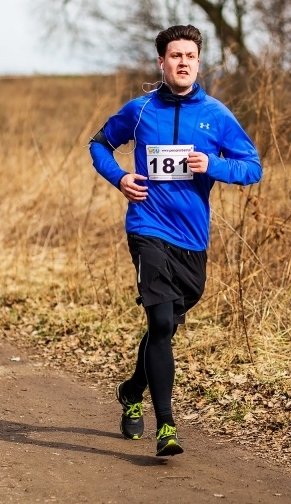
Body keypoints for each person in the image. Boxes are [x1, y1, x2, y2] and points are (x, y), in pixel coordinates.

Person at [89, 25, 262, 456]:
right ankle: (166, 425)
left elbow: (253, 167)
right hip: (147, 227)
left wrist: (214, 166)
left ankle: (131, 390)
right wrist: (121, 177)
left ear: (198, 63)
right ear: (161, 63)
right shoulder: (141, 110)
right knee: (162, 322)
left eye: (190, 55)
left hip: (192, 237)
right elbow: (99, 145)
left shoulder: (217, 115)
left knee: (162, 325)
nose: (182, 62)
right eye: (174, 55)